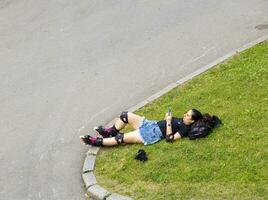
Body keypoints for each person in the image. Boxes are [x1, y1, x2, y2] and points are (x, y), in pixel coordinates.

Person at [80, 108, 215, 147]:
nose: (184, 115)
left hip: (152, 134)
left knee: (121, 138)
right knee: (125, 115)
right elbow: (166, 123)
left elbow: (169, 138)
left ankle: (96, 142)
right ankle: (109, 132)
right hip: (151, 124)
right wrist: (166, 118)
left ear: (191, 121)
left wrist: (168, 122)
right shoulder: (183, 121)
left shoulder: (185, 129)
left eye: (187, 115)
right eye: (186, 113)